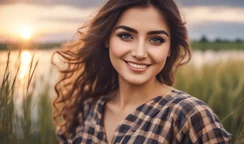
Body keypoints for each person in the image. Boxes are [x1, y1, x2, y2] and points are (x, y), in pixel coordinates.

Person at [52, 0, 232, 143]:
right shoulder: (89, 109)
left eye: (156, 39)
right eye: (126, 36)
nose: (139, 53)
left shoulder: (187, 115)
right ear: (107, 39)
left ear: (170, 48)